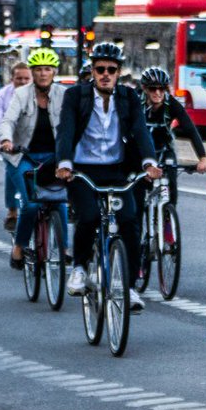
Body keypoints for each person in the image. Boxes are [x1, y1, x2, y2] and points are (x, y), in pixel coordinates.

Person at [55, 42, 161, 311]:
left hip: (117, 170)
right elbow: (66, 130)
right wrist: (64, 163)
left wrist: (149, 162)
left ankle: (130, 287)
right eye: (100, 69)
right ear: (92, 71)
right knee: (89, 216)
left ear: (118, 72)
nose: (105, 74)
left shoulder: (128, 97)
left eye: (111, 70)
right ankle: (79, 268)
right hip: (82, 170)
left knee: (129, 222)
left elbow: (140, 131)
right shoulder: (75, 96)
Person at [0, 48, 69, 270]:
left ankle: (64, 248)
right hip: (22, 156)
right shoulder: (22, 94)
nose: (43, 73)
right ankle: (19, 247)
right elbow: (8, 120)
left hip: (53, 158)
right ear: (32, 72)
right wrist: (6, 140)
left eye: (47, 69)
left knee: (59, 201)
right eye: (38, 69)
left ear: (54, 71)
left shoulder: (64, 94)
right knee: (30, 204)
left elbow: (75, 122)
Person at [138, 65, 206, 201]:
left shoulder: (171, 104)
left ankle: (168, 213)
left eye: (162, 89)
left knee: (171, 186)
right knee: (138, 192)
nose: (158, 93)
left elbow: (190, 130)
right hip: (141, 151)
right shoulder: (136, 103)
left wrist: (202, 158)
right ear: (145, 89)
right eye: (153, 88)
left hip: (165, 149)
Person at [0, 61, 34, 231]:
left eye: (26, 78)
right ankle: (12, 210)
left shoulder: (37, 93)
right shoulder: (2, 95)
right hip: (10, 142)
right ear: (12, 78)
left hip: (33, 141)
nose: (22, 82)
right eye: (19, 78)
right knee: (12, 169)